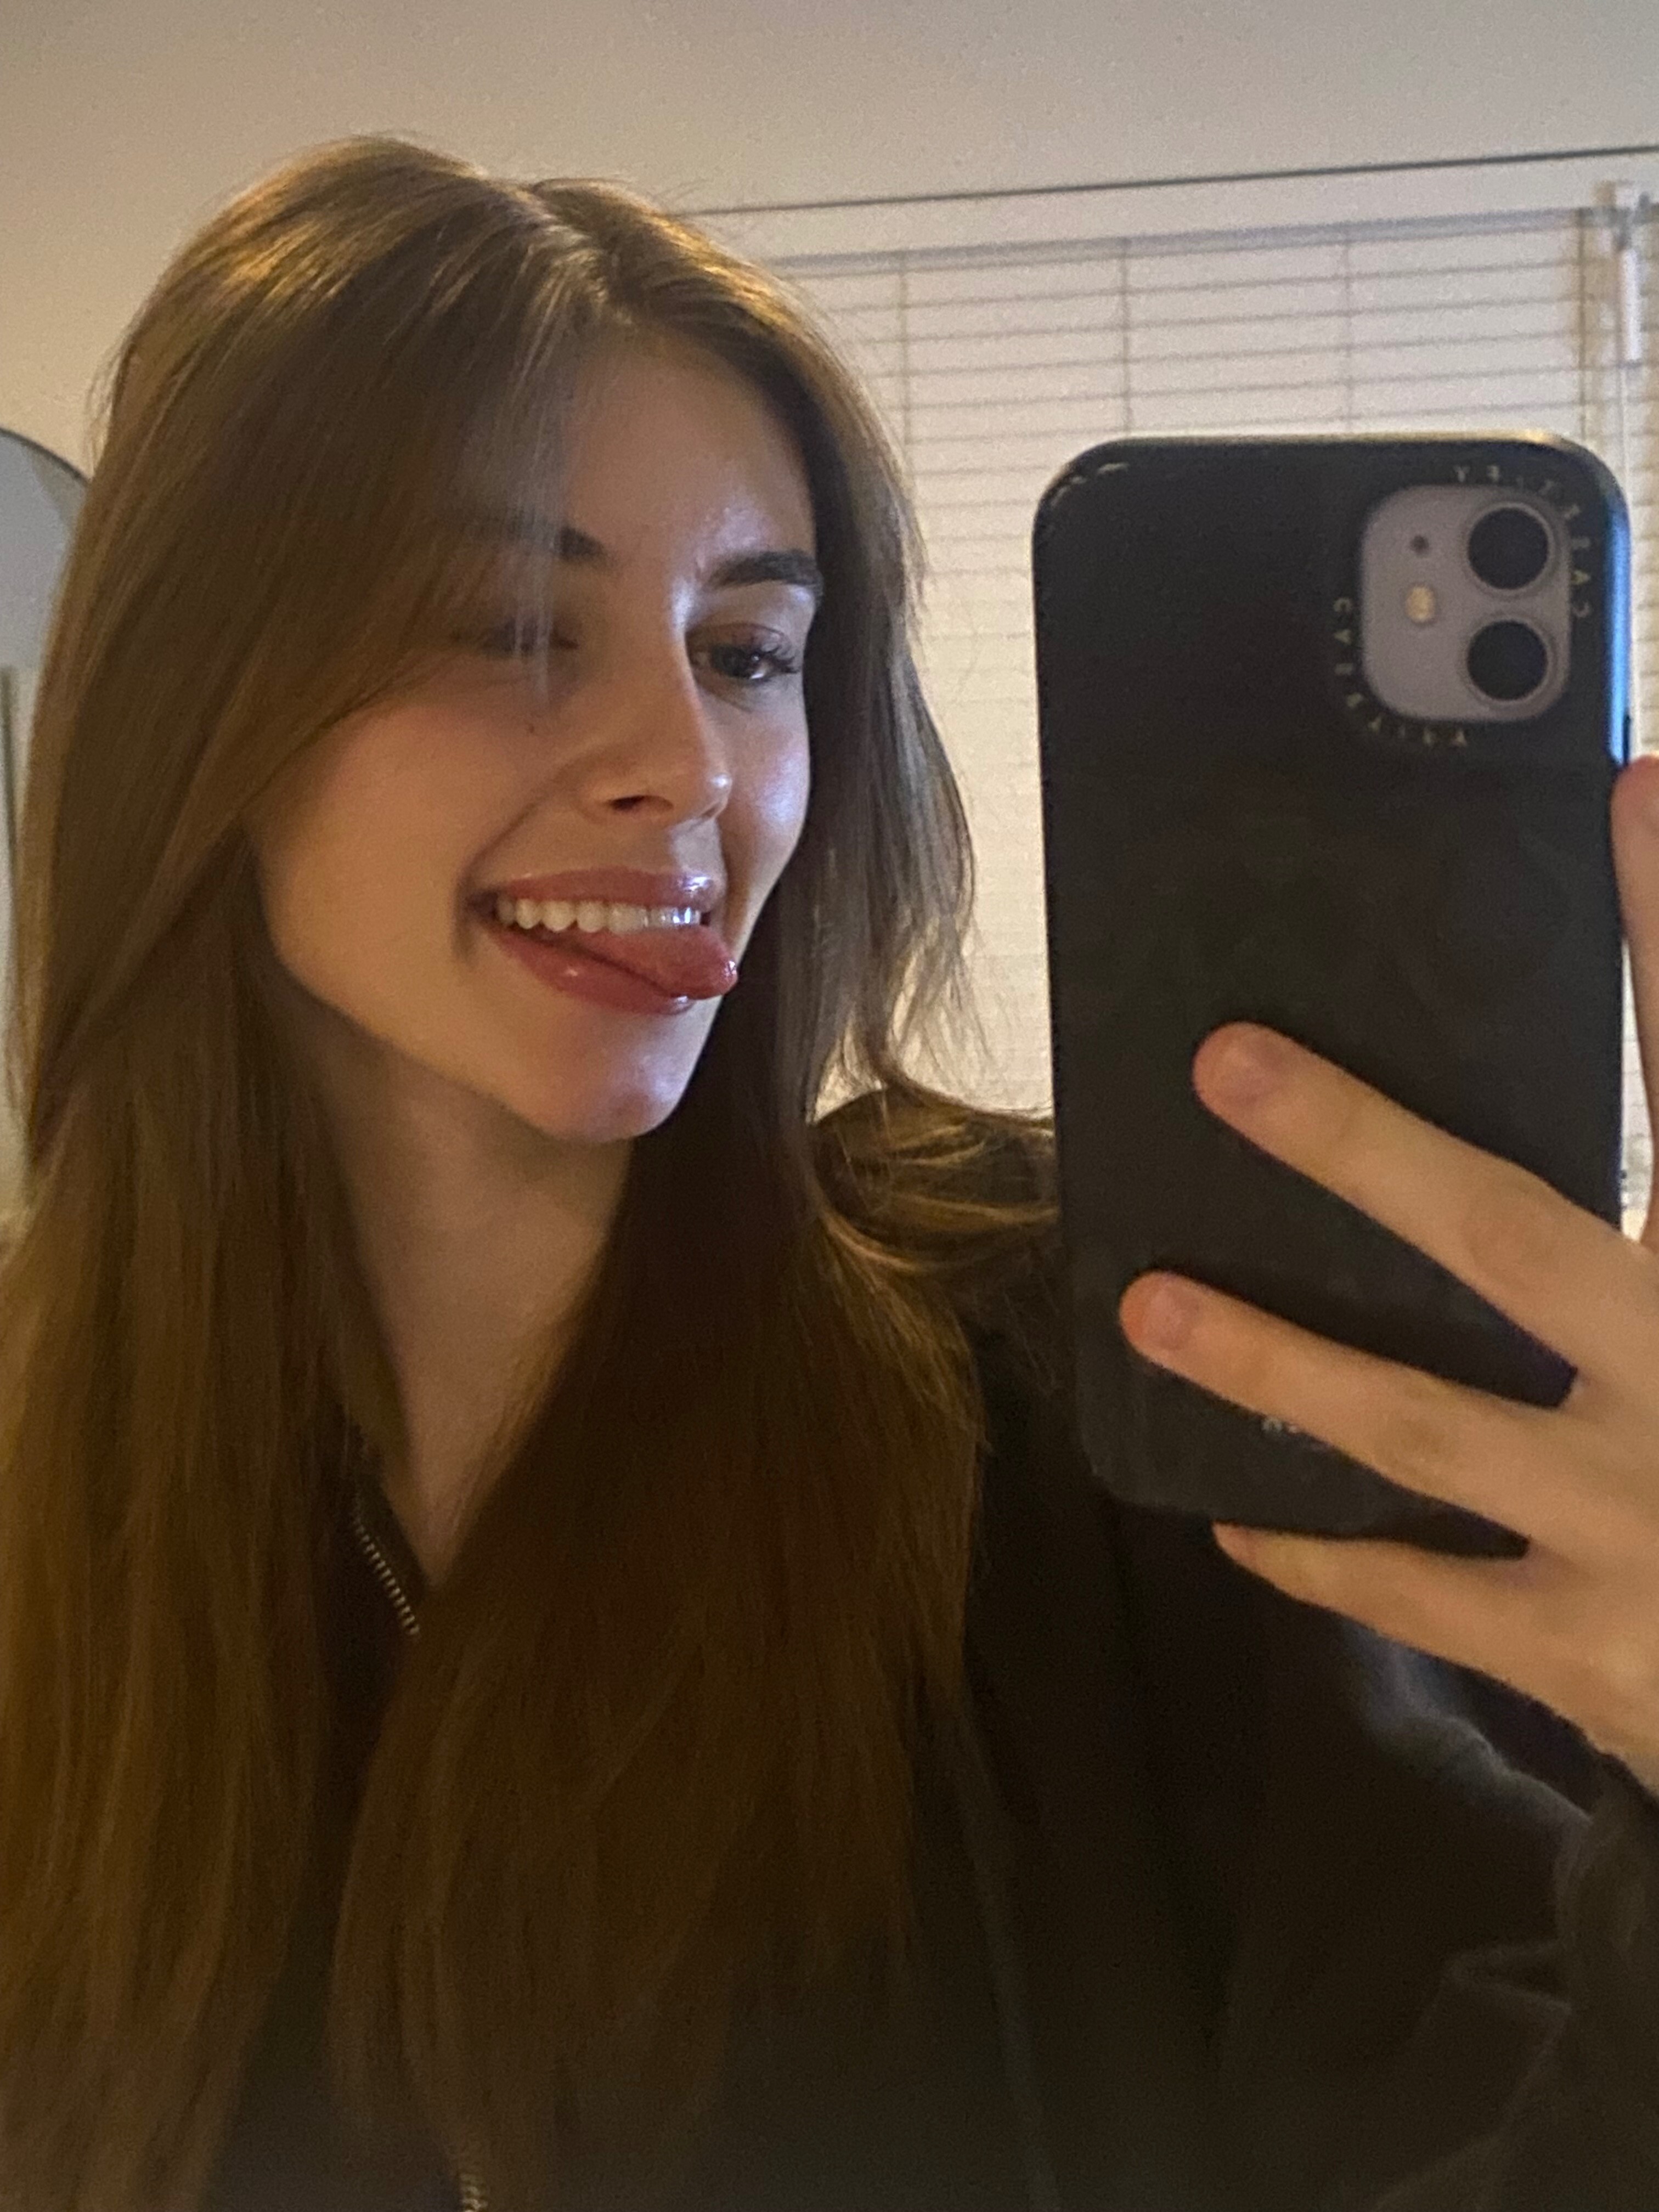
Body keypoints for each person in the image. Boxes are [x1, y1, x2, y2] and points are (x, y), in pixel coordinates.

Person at [2, 131, 1658, 2212]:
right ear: (197, 712)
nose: (692, 767)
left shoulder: (1092, 1390)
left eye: (750, 652)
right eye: (511, 623)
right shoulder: (50, 1495)